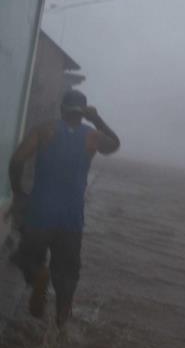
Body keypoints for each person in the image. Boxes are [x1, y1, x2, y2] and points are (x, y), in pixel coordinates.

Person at [8, 90, 120, 327]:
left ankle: (38, 274)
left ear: (61, 109)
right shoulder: (92, 136)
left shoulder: (44, 129)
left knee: (25, 257)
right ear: (83, 112)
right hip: (71, 219)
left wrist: (18, 193)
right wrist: (96, 119)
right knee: (67, 275)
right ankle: (60, 330)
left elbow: (17, 160)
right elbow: (115, 145)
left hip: (40, 213)